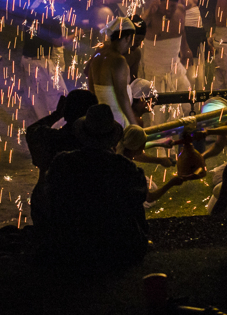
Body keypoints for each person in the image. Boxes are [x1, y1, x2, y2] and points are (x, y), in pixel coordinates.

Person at [40, 104, 156, 266]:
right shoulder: (126, 168)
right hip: (119, 251)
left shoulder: (63, 163)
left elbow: (49, 198)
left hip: (70, 251)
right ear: (113, 138)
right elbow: (137, 202)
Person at [26, 90, 97, 227]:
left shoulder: (51, 139)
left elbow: (32, 131)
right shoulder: (95, 144)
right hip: (82, 210)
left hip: (48, 206)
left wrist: (57, 114)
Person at [21, 0, 74, 120]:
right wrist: (77, 34)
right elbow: (58, 41)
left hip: (29, 61)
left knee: (39, 110)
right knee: (60, 104)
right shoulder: (50, 11)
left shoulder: (37, 3)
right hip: (41, 64)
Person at [140, 0, 191, 123]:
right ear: (159, 2)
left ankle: (180, 139)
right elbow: (135, 28)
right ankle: (158, 143)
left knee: (187, 105)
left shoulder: (181, 10)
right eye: (166, 7)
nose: (169, 11)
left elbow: (182, 31)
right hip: (155, 72)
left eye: (172, 7)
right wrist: (149, 12)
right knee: (158, 115)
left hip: (176, 67)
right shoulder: (151, 15)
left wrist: (185, 49)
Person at [85, 17, 141, 128]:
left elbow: (91, 88)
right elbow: (122, 96)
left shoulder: (98, 55)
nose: (130, 45)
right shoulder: (119, 60)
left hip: (100, 117)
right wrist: (134, 124)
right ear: (128, 37)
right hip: (117, 119)